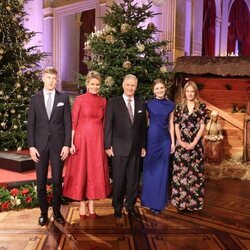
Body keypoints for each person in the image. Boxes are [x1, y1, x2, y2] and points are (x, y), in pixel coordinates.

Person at [63, 71, 110, 219]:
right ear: (87, 85)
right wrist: (71, 142)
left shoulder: (103, 101)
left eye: (97, 84)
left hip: (97, 140)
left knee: (94, 172)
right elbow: (74, 122)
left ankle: (91, 206)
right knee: (81, 171)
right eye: (92, 84)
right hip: (81, 140)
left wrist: (105, 143)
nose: (95, 87)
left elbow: (105, 123)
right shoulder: (79, 99)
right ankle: (82, 206)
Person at [27, 67, 71, 226]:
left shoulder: (63, 98)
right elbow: (31, 125)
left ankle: (57, 212)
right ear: (43, 79)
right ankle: (43, 213)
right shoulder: (35, 99)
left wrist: (67, 145)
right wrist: (31, 146)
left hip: (59, 146)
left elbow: (67, 123)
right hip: (40, 146)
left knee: (58, 179)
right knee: (40, 180)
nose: (51, 81)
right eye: (48, 78)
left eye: (54, 78)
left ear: (56, 80)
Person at [104, 74, 147, 218]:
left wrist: (143, 146)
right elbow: (108, 126)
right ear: (123, 85)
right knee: (119, 179)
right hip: (118, 148)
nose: (130, 88)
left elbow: (142, 128)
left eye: (133, 85)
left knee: (133, 180)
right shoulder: (113, 103)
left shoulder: (141, 103)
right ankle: (117, 206)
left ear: (136, 86)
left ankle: (130, 206)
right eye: (128, 85)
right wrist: (107, 146)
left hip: (135, 149)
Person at [171, 81, 208, 213]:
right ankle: (180, 203)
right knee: (181, 173)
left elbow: (203, 126)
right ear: (184, 93)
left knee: (194, 174)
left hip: (195, 147)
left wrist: (194, 143)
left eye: (192, 91)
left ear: (195, 92)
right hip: (182, 146)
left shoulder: (202, 107)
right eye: (188, 91)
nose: (190, 93)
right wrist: (179, 141)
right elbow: (176, 125)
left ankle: (193, 204)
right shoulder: (179, 107)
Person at [141, 79, 175, 214]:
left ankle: (159, 203)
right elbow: (144, 124)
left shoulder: (171, 105)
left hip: (164, 141)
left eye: (161, 88)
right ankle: (148, 200)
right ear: (153, 91)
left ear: (165, 89)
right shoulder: (148, 104)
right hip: (151, 140)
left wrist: (172, 142)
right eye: (157, 88)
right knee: (150, 171)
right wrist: (143, 144)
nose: (160, 90)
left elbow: (171, 124)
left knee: (162, 172)